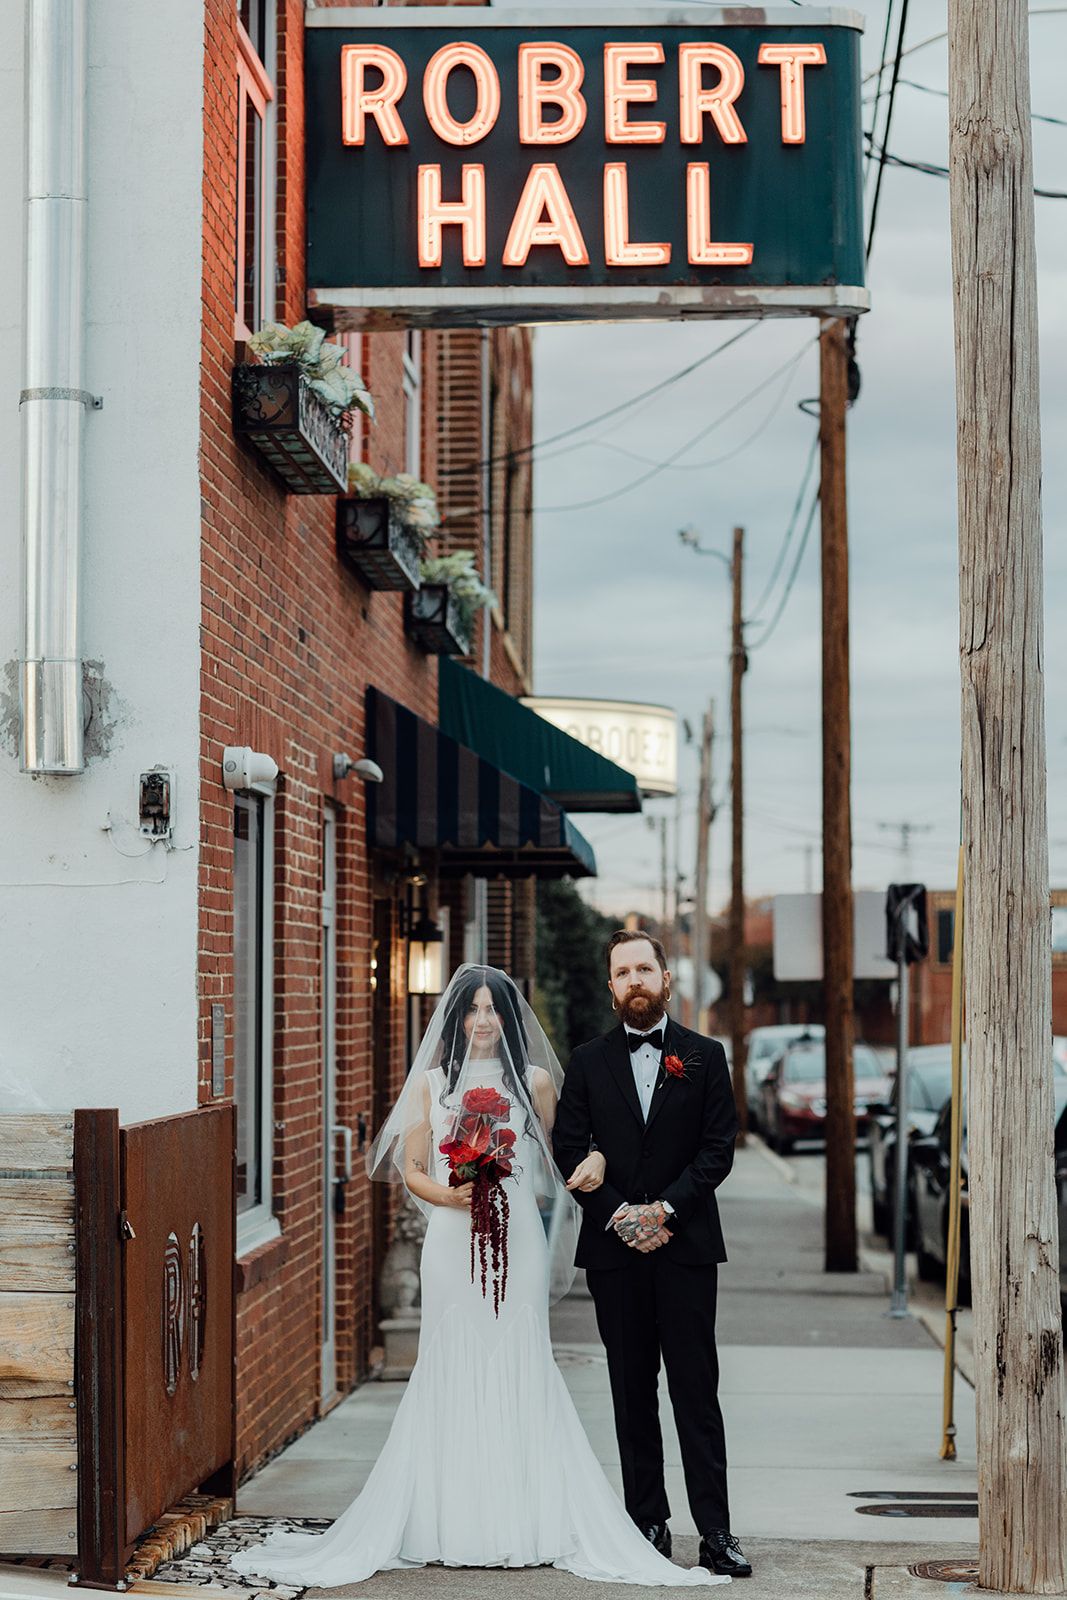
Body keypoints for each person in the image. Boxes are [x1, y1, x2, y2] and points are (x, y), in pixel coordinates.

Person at [231, 964, 727, 1588]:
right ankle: (446, 1518)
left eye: (494, 1010)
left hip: (515, 1240)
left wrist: (598, 1157)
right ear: (456, 1019)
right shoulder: (431, 1088)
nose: (484, 1020)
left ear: (510, 1020)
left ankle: (526, 1516)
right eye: (472, 1009)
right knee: (452, 1360)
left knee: (518, 1354)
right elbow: (411, 1168)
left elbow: (568, 1150)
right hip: (452, 1241)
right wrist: (450, 1196)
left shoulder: (537, 1084)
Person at [553, 932, 750, 1579]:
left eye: (644, 968)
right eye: (622, 972)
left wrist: (663, 1212)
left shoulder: (703, 1056)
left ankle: (716, 1533)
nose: (634, 980)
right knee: (630, 1391)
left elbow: (716, 1150)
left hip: (685, 1249)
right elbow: (568, 1149)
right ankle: (646, 1522)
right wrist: (619, 1216)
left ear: (665, 979)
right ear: (609, 986)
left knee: (696, 1394)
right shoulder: (584, 1062)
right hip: (615, 1255)